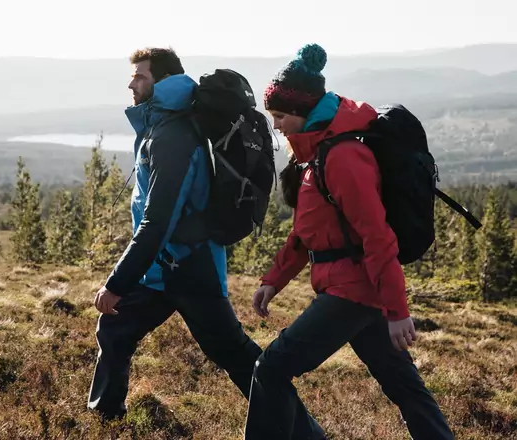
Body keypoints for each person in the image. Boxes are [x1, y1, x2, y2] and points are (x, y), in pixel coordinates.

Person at [244, 44, 454, 440]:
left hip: (352, 292)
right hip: (358, 290)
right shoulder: (315, 154)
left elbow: (378, 237)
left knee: (270, 368)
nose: (277, 126)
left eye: (281, 116)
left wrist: (397, 311)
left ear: (304, 112)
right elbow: (306, 232)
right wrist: (274, 280)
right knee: (406, 389)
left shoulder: (342, 158)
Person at [87, 47, 262, 422]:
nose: (131, 83)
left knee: (235, 355)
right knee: (116, 327)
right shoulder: (163, 125)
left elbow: (159, 218)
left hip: (190, 266)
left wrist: (117, 282)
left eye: (140, 76)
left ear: (163, 81)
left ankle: (303, 430)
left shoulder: (174, 135)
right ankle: (106, 420)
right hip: (163, 268)